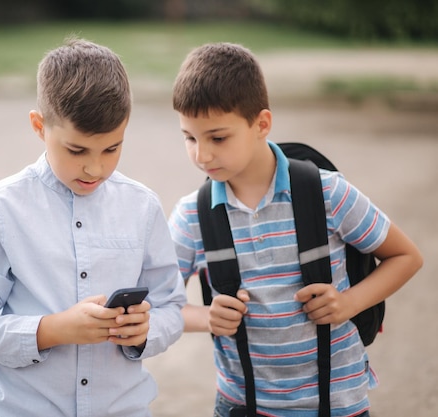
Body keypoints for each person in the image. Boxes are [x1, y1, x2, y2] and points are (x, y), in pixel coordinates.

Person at [168, 42, 423, 417]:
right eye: (189, 138)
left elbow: (406, 257)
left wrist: (349, 302)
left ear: (262, 124)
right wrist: (205, 317)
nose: (201, 155)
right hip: (242, 405)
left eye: (217, 138)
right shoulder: (193, 215)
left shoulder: (327, 192)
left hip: (338, 404)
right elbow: (159, 305)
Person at [0, 37, 186, 417]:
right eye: (77, 151)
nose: (95, 169)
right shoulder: (0, 208)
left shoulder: (142, 207)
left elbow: (172, 307)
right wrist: (53, 329)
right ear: (39, 127)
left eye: (112, 149)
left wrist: (146, 330)